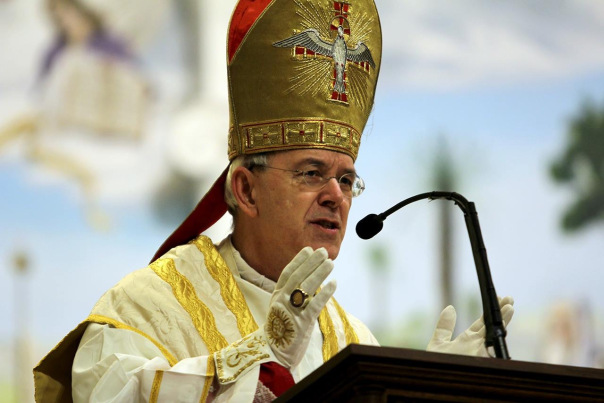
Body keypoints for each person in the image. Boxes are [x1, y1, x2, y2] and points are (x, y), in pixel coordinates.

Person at [34, 0, 514, 402]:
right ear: (246, 189)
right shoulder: (148, 307)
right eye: (312, 174)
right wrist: (261, 355)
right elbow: (112, 392)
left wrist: (423, 391)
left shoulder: (351, 341)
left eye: (347, 180)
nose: (336, 196)